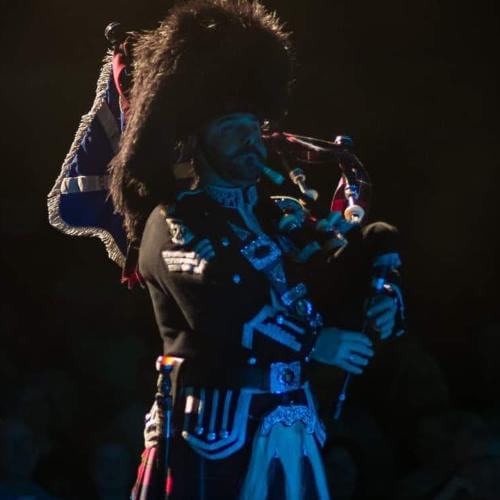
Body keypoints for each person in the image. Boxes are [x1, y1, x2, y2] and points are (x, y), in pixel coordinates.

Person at [109, 1, 404, 498]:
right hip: (211, 437)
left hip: (289, 426)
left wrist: (379, 281)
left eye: (253, 128)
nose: (250, 142)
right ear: (196, 143)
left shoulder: (275, 214)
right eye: (231, 130)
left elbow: (337, 265)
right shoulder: (173, 220)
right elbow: (221, 308)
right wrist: (316, 342)